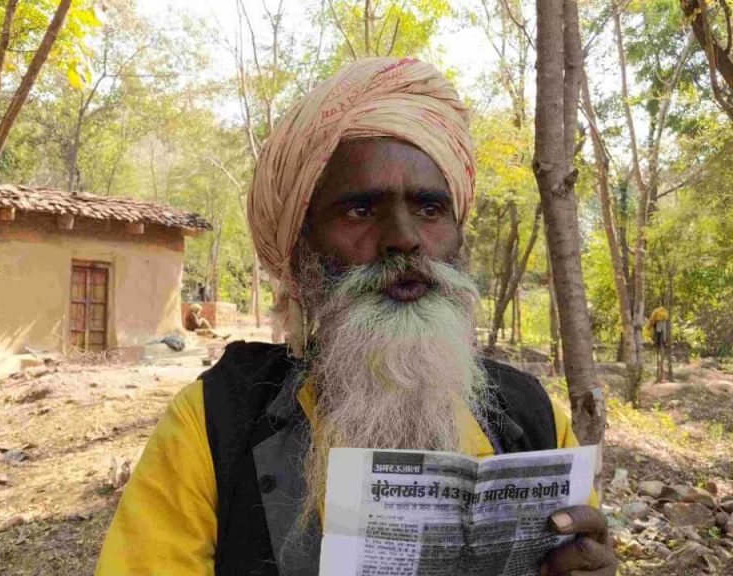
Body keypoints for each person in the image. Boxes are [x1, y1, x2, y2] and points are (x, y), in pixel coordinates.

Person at [96, 58, 616, 576]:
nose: (404, 239)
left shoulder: (532, 419)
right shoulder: (211, 423)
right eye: (360, 210)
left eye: (430, 209)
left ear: (457, 239)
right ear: (302, 252)